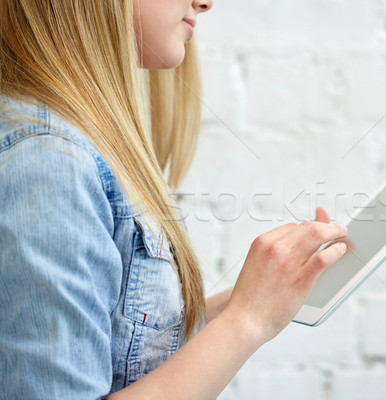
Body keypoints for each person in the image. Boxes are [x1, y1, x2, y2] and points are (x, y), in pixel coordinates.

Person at [0, 0, 348, 398]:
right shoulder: (48, 158)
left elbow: (122, 341)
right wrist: (247, 320)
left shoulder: (70, 146)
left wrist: (261, 295)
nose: (206, 2)